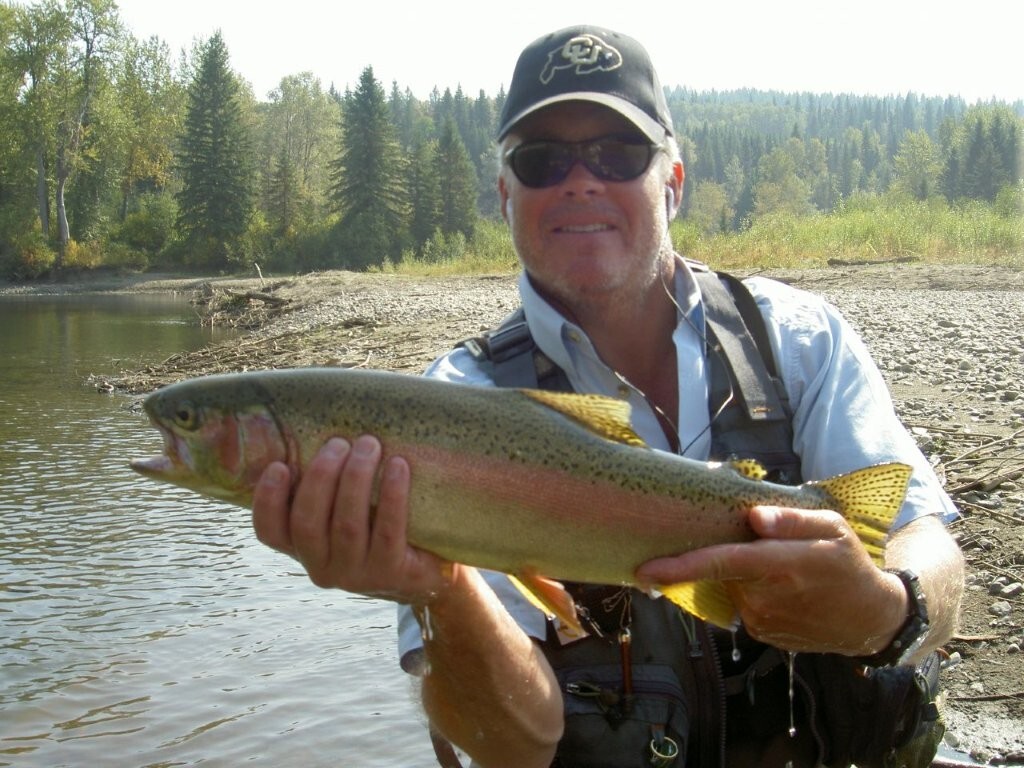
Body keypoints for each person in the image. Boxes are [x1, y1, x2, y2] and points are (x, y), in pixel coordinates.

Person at [251, 25, 965, 768]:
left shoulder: (798, 340)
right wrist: (441, 590)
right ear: (505, 196)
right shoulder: (450, 409)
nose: (580, 180)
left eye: (618, 154)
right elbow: (515, 745)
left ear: (675, 183)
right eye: (542, 160)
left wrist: (887, 609)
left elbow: (930, 545)